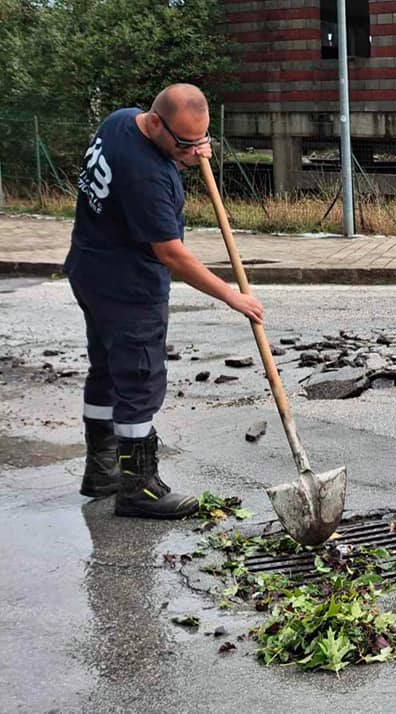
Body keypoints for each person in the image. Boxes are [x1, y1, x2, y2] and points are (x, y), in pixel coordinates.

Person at [65, 83, 264, 518]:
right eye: (186, 142)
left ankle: (101, 471)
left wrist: (186, 150)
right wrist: (232, 295)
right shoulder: (148, 177)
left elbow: (169, 150)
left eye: (202, 139)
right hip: (127, 287)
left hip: (88, 268)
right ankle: (139, 488)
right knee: (138, 378)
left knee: (106, 370)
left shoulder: (120, 120)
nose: (196, 150)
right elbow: (172, 254)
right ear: (156, 123)